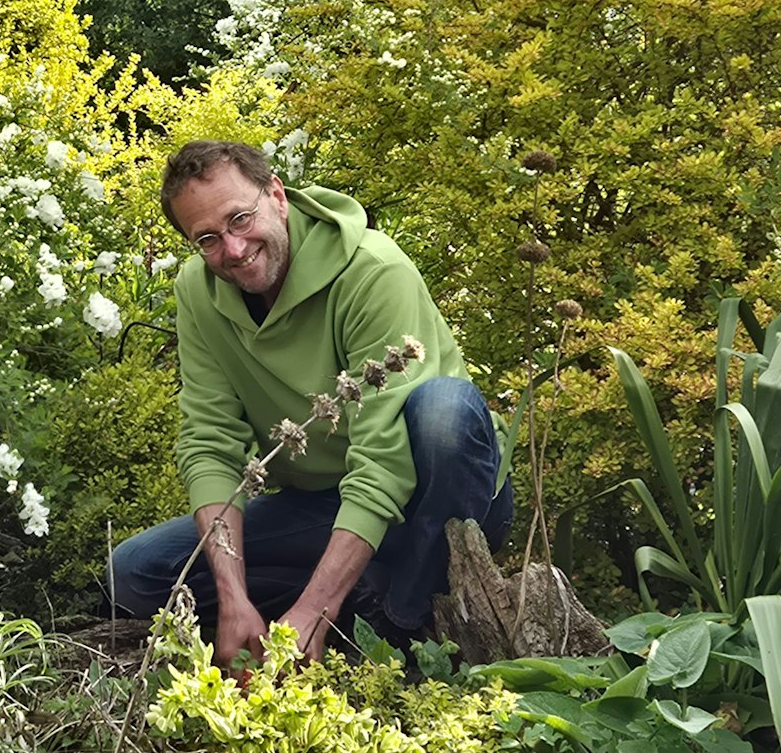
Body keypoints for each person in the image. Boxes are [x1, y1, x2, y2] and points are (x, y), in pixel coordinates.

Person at [110, 140, 511, 668]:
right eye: (207, 238)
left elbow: (384, 463)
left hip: (436, 493)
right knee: (135, 571)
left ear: (276, 195)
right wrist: (233, 599)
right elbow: (210, 445)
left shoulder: (372, 271)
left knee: (444, 412)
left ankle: (401, 617)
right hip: (324, 502)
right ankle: (354, 592)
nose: (231, 249)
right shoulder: (198, 292)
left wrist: (315, 606)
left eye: (240, 218)